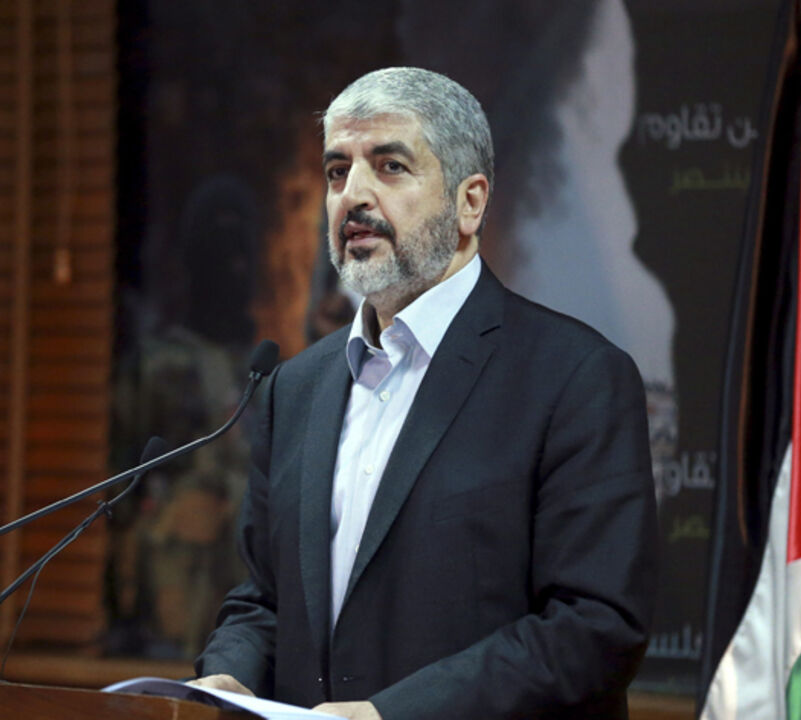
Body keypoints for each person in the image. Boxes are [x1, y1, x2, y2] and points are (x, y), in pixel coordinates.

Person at [189, 67, 657, 719]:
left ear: (470, 203)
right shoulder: (295, 388)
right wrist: (229, 679)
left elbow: (592, 628)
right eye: (336, 172)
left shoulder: (573, 377)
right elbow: (264, 599)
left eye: (389, 166)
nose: (352, 195)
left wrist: (391, 715)